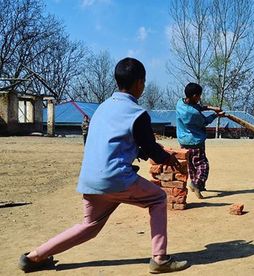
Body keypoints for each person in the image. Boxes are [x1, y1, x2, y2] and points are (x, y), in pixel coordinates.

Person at [18, 58, 190, 274]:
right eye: (143, 83)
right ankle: (160, 259)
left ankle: (33, 257)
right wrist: (168, 158)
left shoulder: (101, 109)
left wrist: (143, 152)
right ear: (139, 83)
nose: (143, 87)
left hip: (90, 180)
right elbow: (150, 148)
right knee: (157, 198)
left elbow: (115, 144)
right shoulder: (137, 114)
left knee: (88, 227)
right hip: (116, 179)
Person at [176, 83, 224, 199]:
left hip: (183, 141)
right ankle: (196, 184)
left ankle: (197, 184)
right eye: (198, 96)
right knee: (203, 165)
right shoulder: (193, 114)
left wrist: (211, 107)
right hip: (195, 141)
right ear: (193, 96)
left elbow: (197, 106)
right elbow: (205, 121)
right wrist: (216, 115)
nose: (200, 98)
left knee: (192, 165)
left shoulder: (180, 102)